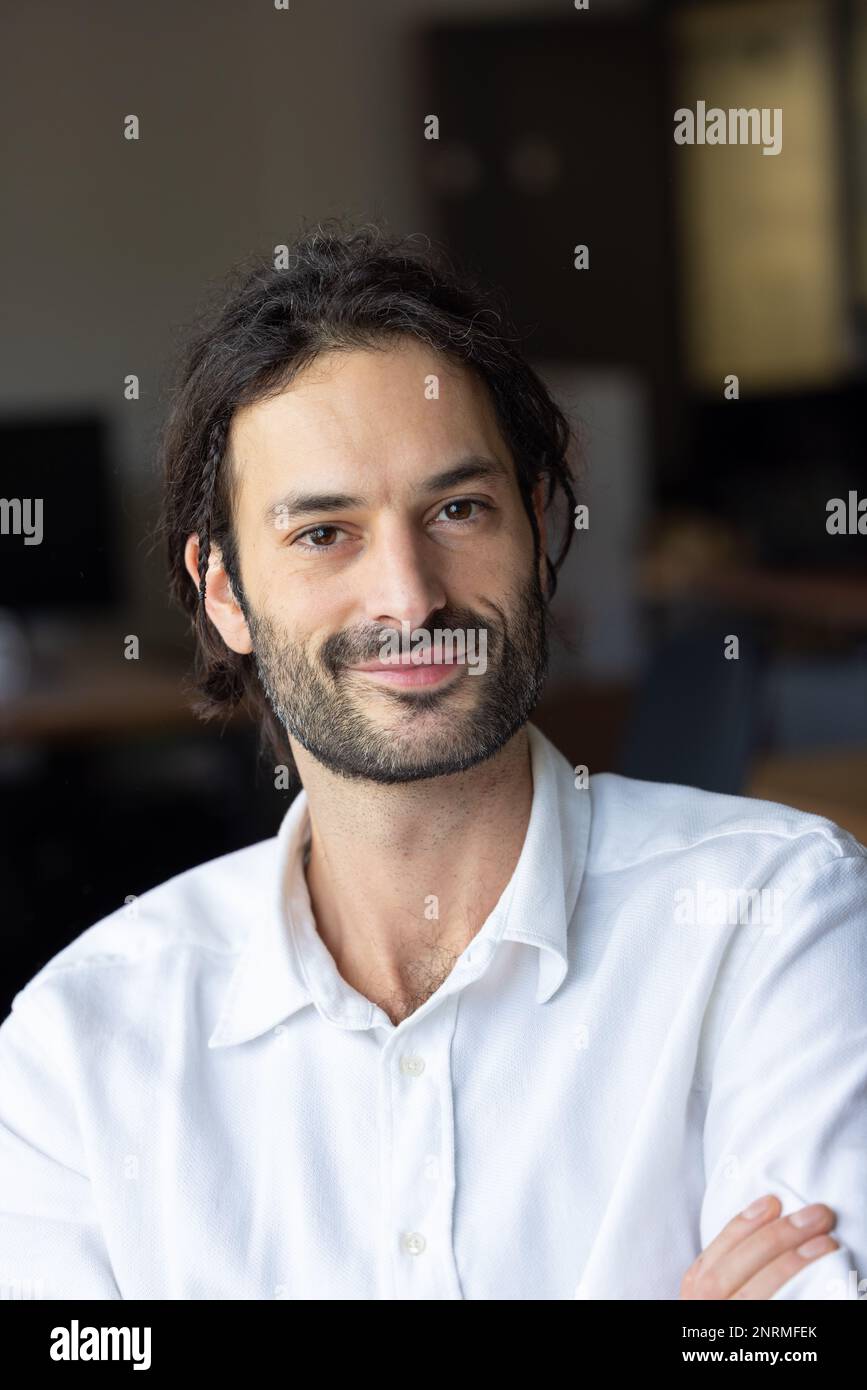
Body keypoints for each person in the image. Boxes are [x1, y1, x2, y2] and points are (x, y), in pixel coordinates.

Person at [1, 223, 864, 1301]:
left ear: (539, 531)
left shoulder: (776, 916)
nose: (410, 597)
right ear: (223, 590)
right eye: (325, 532)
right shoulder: (76, 1048)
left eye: (458, 510)